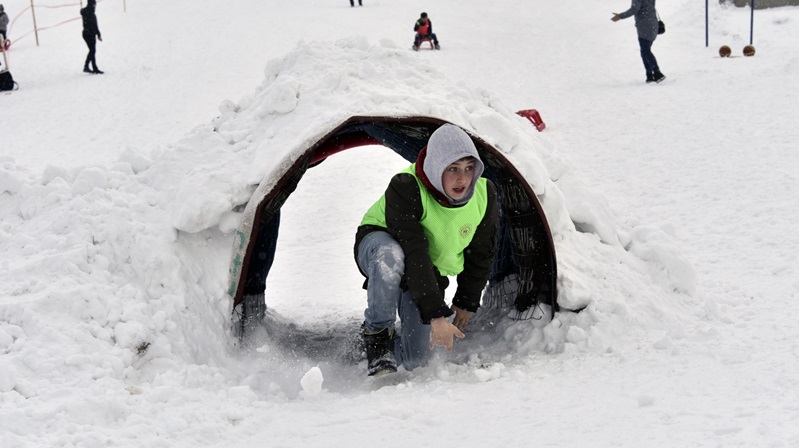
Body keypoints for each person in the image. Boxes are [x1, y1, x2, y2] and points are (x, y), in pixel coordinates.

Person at [354, 124, 498, 376]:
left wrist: (466, 300)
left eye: (468, 168)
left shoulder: (484, 194)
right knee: (392, 256)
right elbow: (414, 251)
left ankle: (368, 352)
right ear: (435, 167)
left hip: (424, 269)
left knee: (416, 360)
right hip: (380, 245)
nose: (462, 179)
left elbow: (481, 251)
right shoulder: (406, 186)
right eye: (452, 169)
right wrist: (436, 315)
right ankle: (377, 339)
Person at [611, 0, 665, 83]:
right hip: (653, 25)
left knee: (645, 51)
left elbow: (634, 9)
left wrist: (620, 16)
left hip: (645, 27)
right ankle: (650, 75)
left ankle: (657, 73)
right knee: (644, 51)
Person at [81, 0, 103, 74]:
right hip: (90, 34)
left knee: (92, 50)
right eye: (94, 4)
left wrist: (98, 34)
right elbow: (94, 26)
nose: (95, 6)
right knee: (92, 50)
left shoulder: (86, 12)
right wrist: (98, 34)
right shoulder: (91, 14)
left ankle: (91, 67)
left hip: (86, 33)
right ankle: (89, 67)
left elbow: (93, 25)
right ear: (92, 4)